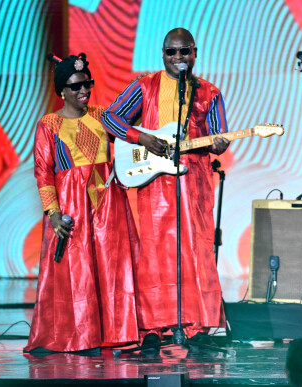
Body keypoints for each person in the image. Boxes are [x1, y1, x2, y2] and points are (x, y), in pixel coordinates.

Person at [102, 28, 229, 346]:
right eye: (171, 52)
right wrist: (141, 137)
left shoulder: (209, 93)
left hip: (196, 183)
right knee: (156, 254)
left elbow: (218, 140)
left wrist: (220, 144)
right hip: (156, 184)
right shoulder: (145, 86)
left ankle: (197, 326)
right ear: (162, 54)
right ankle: (152, 328)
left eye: (184, 51)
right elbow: (110, 117)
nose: (178, 58)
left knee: (197, 250)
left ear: (195, 53)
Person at [24, 53, 140, 354]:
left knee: (111, 267)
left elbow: (133, 133)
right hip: (71, 206)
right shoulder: (49, 124)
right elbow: (43, 172)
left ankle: (116, 332)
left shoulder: (102, 117)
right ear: (62, 90)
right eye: (75, 87)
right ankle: (78, 336)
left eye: (87, 84)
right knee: (77, 271)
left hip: (106, 203)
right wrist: (53, 213)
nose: (83, 91)